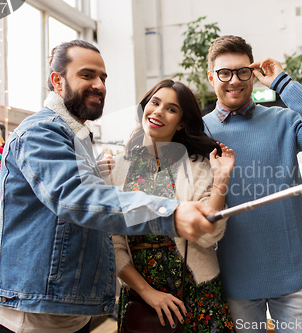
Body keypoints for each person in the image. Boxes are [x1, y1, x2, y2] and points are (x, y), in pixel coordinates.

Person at [0, 40, 217, 333]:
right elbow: (75, 198)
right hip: (35, 314)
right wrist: (170, 213)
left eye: (103, 77)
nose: (99, 85)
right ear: (57, 81)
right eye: (87, 75)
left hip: (71, 308)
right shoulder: (40, 132)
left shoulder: (78, 137)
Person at [203, 35, 302, 333]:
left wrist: (283, 83)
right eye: (225, 72)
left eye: (242, 71)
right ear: (211, 77)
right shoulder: (200, 132)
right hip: (232, 276)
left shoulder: (284, 121)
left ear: (253, 73)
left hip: (294, 274)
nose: (234, 80)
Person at [101, 79, 236, 332]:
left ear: (182, 122)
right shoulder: (117, 168)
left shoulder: (197, 167)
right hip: (140, 297)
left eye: (171, 109)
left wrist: (221, 179)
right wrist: (147, 292)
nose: (159, 112)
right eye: (155, 103)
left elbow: (209, 236)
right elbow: (113, 243)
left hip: (196, 293)